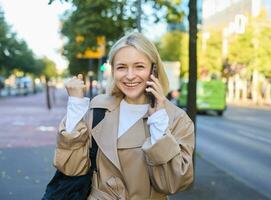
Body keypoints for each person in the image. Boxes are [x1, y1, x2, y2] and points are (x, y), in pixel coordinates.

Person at [54, 32, 195, 200]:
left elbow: (174, 183)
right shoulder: (100, 109)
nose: (129, 76)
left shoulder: (176, 119)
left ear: (153, 69)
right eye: (121, 67)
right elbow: (72, 167)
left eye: (139, 66)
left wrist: (159, 124)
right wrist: (75, 106)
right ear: (113, 71)